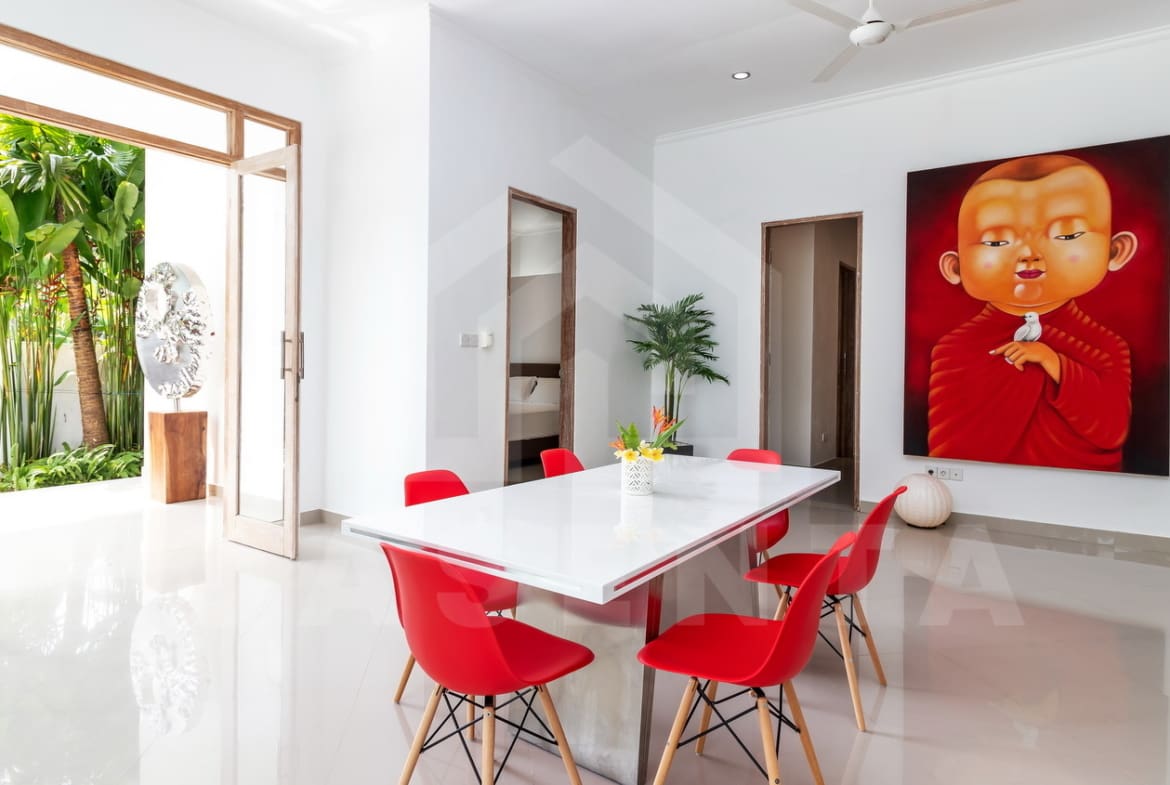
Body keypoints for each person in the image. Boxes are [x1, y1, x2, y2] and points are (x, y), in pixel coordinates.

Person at [927, 154, 1138, 471]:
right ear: (955, 267)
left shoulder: (1107, 346)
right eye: (996, 242)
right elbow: (947, 450)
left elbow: (1112, 432)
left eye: (1067, 235)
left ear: (1115, 251)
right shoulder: (954, 349)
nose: (1029, 255)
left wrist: (1054, 362)